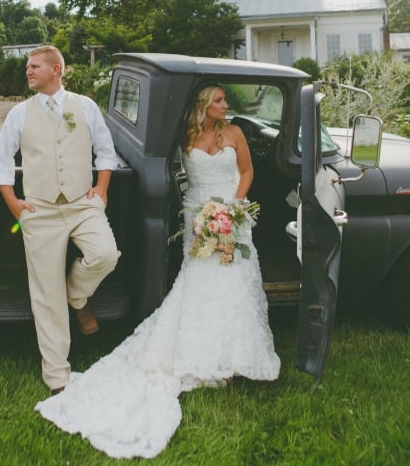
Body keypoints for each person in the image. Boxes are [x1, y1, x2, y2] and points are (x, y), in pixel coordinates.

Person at [35, 84, 280, 459]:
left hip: (232, 215)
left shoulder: (235, 132)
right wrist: (206, 218)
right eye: (218, 100)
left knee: (235, 282)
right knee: (199, 284)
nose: (225, 104)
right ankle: (201, 352)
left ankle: (234, 355)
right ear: (202, 106)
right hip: (197, 216)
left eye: (224, 100)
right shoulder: (184, 136)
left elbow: (245, 172)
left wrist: (232, 209)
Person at [0, 45, 120, 393]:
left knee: (105, 254)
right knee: (45, 293)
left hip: (81, 203)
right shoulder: (19, 113)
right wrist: (15, 204)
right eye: (27, 67)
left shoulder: (85, 107)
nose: (28, 72)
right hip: (40, 210)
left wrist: (101, 189)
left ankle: (76, 297)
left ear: (56, 70)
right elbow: (1, 161)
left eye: (34, 66)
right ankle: (57, 374)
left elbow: (106, 152)